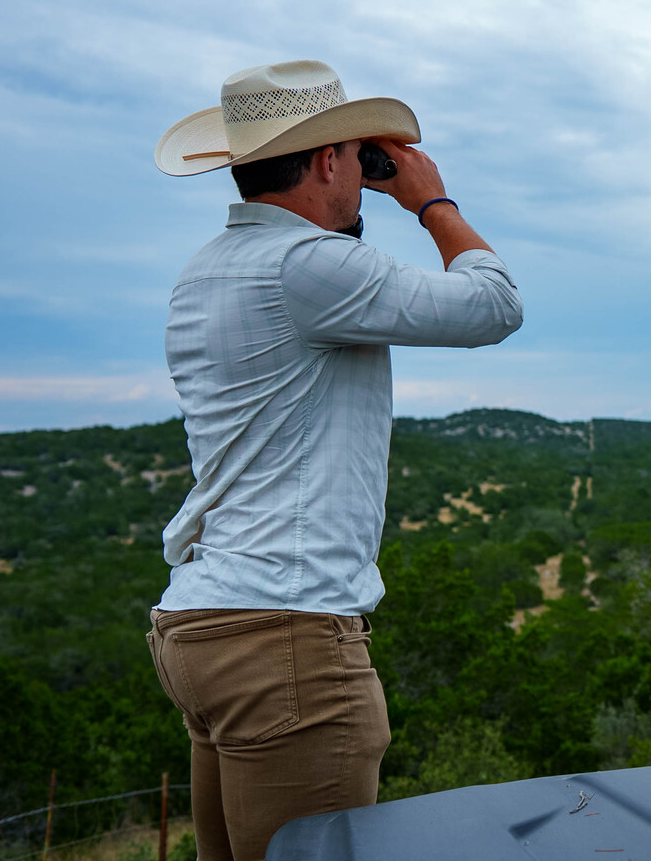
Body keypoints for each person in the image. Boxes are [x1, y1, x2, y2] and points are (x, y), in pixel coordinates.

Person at [144, 60, 522, 861]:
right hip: (287, 633)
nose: (363, 171)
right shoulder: (306, 267)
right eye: (354, 155)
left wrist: (350, 207)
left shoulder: (205, 271)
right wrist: (431, 201)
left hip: (204, 625)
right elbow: (494, 304)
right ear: (325, 161)